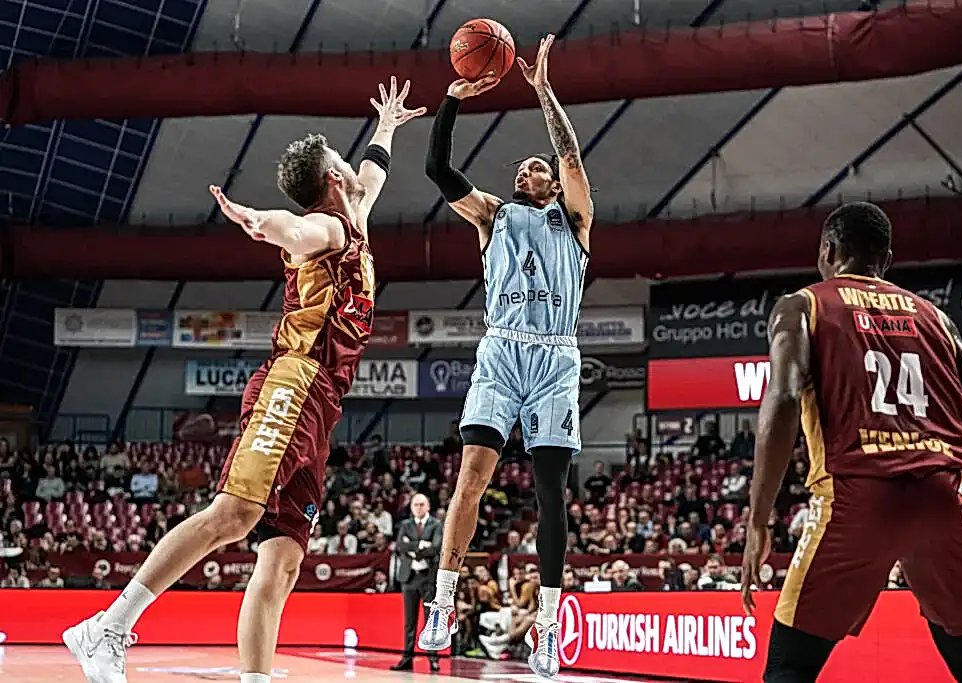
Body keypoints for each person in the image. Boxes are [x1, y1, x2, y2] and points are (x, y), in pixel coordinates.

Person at [62, 77, 425, 683]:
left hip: (323, 402)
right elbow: (291, 229)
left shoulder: (357, 211)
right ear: (333, 180)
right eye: (344, 162)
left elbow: (376, 171)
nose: (354, 167)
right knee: (231, 514)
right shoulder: (328, 230)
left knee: (282, 559)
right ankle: (108, 627)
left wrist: (386, 125)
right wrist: (257, 221)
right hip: (294, 381)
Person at [739, 201, 962, 682]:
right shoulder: (938, 319)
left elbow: (780, 400)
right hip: (939, 499)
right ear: (885, 260)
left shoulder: (803, 305)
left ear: (828, 250)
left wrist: (759, 520)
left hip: (856, 499)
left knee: (790, 666)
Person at [418, 34, 593, 679]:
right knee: (471, 478)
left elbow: (570, 152)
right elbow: (438, 171)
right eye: (520, 169)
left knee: (552, 494)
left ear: (552, 181)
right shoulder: (492, 216)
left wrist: (543, 90)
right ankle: (440, 604)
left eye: (535, 168)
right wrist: (451, 100)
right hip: (502, 349)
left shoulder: (573, 220)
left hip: (556, 359)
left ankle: (546, 628)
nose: (525, 172)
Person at [391, 494, 442, 673]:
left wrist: (412, 547)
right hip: (409, 577)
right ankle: (407, 657)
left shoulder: (436, 525)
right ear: (411, 507)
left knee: (430, 620)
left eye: (421, 504)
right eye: (415, 505)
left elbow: (436, 547)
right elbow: (400, 546)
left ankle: (433, 657)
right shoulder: (405, 525)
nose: (418, 507)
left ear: (428, 506)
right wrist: (421, 546)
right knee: (409, 621)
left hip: (428, 577)